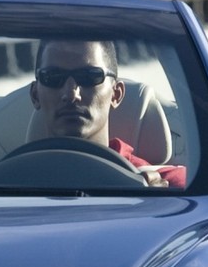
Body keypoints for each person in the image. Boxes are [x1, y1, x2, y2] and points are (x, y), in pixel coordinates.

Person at [26, 39, 187, 188]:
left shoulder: (172, 187)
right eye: (53, 77)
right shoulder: (5, 186)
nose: (71, 94)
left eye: (90, 77)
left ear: (116, 94)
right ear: (35, 95)